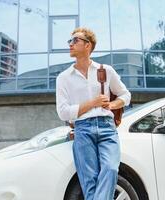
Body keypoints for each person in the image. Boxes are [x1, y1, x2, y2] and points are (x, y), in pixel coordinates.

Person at [56, 27, 131, 200]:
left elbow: (126, 95)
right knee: (90, 182)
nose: (70, 44)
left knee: (111, 168)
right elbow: (63, 112)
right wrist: (93, 103)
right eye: (70, 41)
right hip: (82, 129)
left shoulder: (105, 70)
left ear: (88, 45)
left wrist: (112, 105)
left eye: (75, 41)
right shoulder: (64, 77)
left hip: (107, 128)